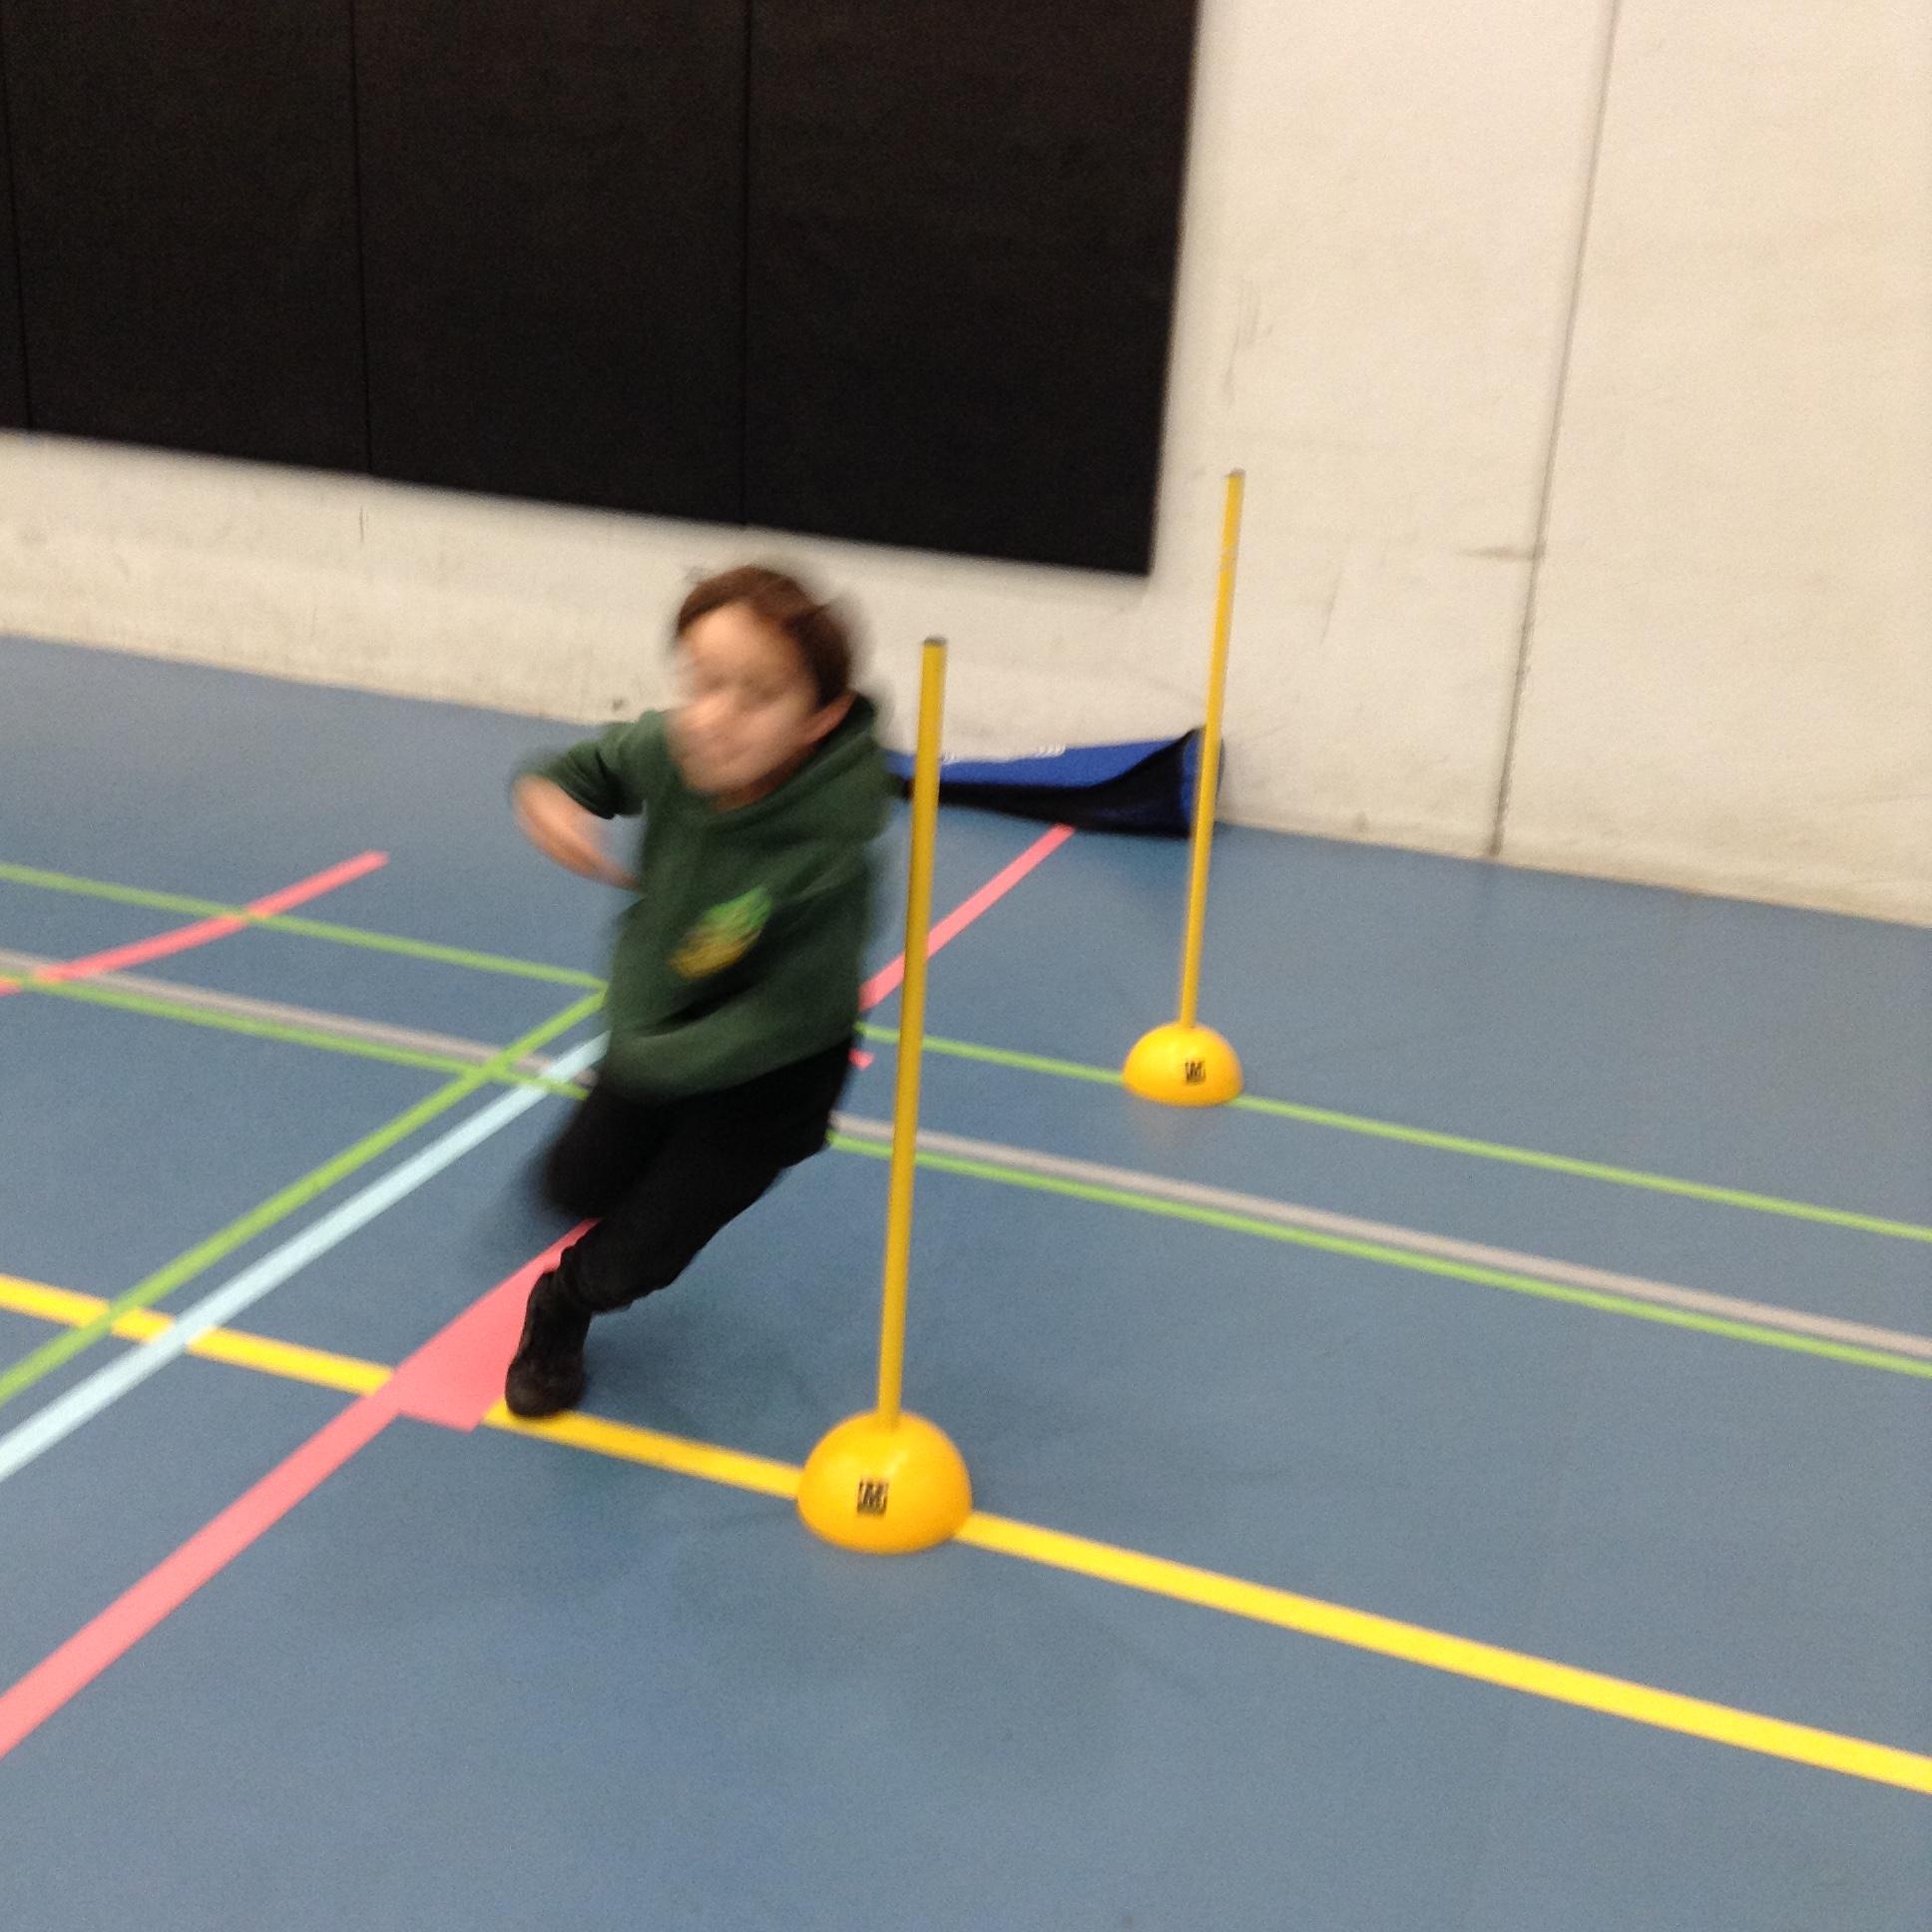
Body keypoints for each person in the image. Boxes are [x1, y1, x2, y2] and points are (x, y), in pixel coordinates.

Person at [504, 566, 888, 1418]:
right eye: (703, 682)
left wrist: (644, 1059)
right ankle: (613, 1185)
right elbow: (586, 766)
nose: (715, 716)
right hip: (664, 1025)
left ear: (820, 720)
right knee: (571, 1186)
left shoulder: (828, 857)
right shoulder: (675, 752)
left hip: (771, 1076)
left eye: (759, 695)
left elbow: (789, 1014)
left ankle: (563, 1305)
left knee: (635, 1257)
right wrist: (551, 793)